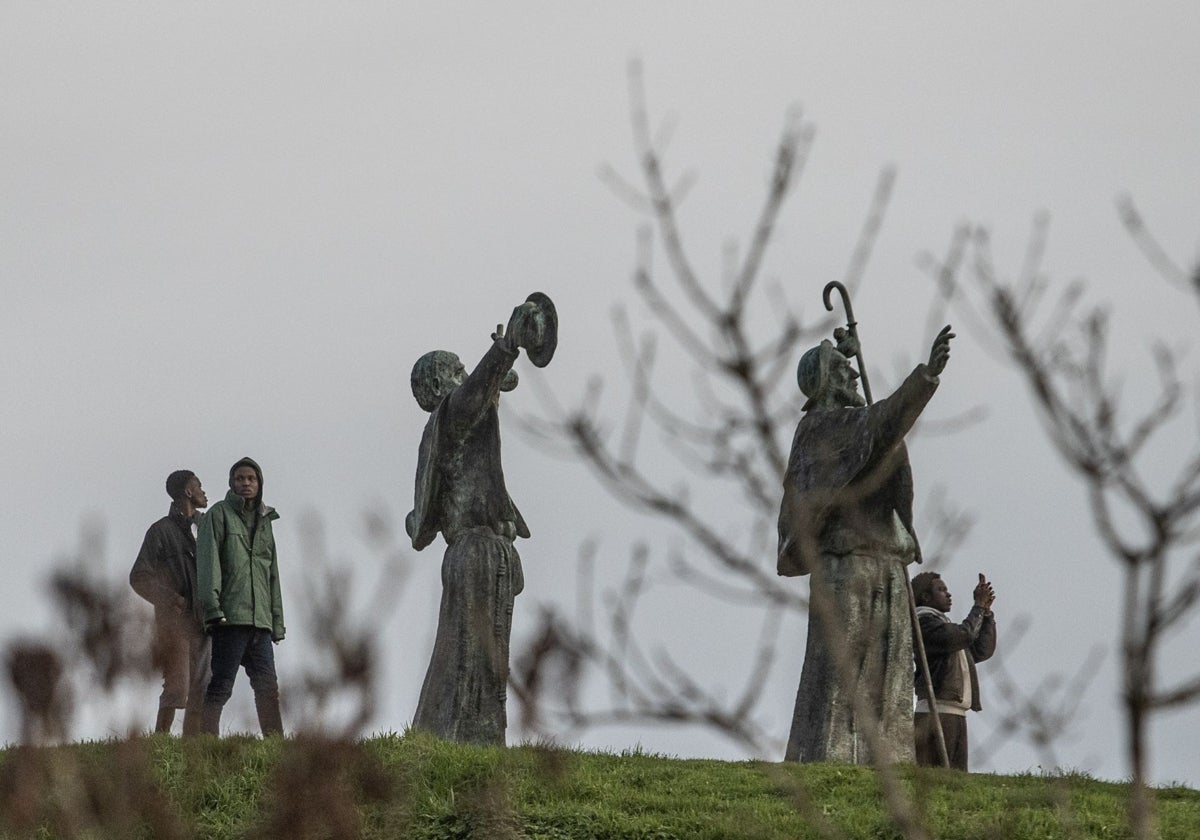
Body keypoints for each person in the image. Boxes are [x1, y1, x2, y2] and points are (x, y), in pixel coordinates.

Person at [777, 325, 954, 764]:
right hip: (847, 564)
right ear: (826, 384)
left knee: (890, 671)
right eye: (844, 372)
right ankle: (832, 756)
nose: (854, 378)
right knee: (844, 671)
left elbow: (876, 431)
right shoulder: (820, 429)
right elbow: (878, 424)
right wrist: (924, 378)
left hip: (887, 564)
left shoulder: (853, 427)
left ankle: (887, 758)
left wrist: (847, 358)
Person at [407, 293, 555, 745]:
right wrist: (507, 345)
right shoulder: (454, 414)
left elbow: (486, 389)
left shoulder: (444, 429)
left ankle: (449, 730)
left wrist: (499, 372)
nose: (465, 375)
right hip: (478, 552)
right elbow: (477, 391)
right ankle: (469, 734)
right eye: (457, 371)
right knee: (476, 655)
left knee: (468, 650)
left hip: (474, 551)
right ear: (441, 384)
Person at [196, 456, 285, 736]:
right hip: (229, 618)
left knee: (268, 687)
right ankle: (206, 743)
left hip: (260, 623)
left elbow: (272, 575)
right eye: (240, 478)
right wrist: (213, 609)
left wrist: (276, 621)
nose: (246, 483)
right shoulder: (218, 515)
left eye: (251, 479)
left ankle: (275, 747)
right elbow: (209, 564)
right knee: (221, 685)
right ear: (231, 483)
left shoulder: (265, 521)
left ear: (259, 484)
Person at [129, 469, 211, 735]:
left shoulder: (208, 528)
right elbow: (139, 576)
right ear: (188, 491)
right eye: (199, 485)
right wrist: (171, 600)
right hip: (174, 623)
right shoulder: (160, 532)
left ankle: (194, 746)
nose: (203, 491)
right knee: (177, 687)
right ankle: (160, 740)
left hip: (204, 621)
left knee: (202, 687)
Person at [911, 571, 997, 770]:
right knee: (937, 775)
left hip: (955, 713)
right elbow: (964, 635)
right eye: (941, 590)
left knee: (955, 779)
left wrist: (986, 614)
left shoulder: (944, 626)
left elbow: (981, 650)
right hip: (936, 712)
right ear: (925, 597)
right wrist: (977, 606)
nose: (948, 595)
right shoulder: (924, 622)